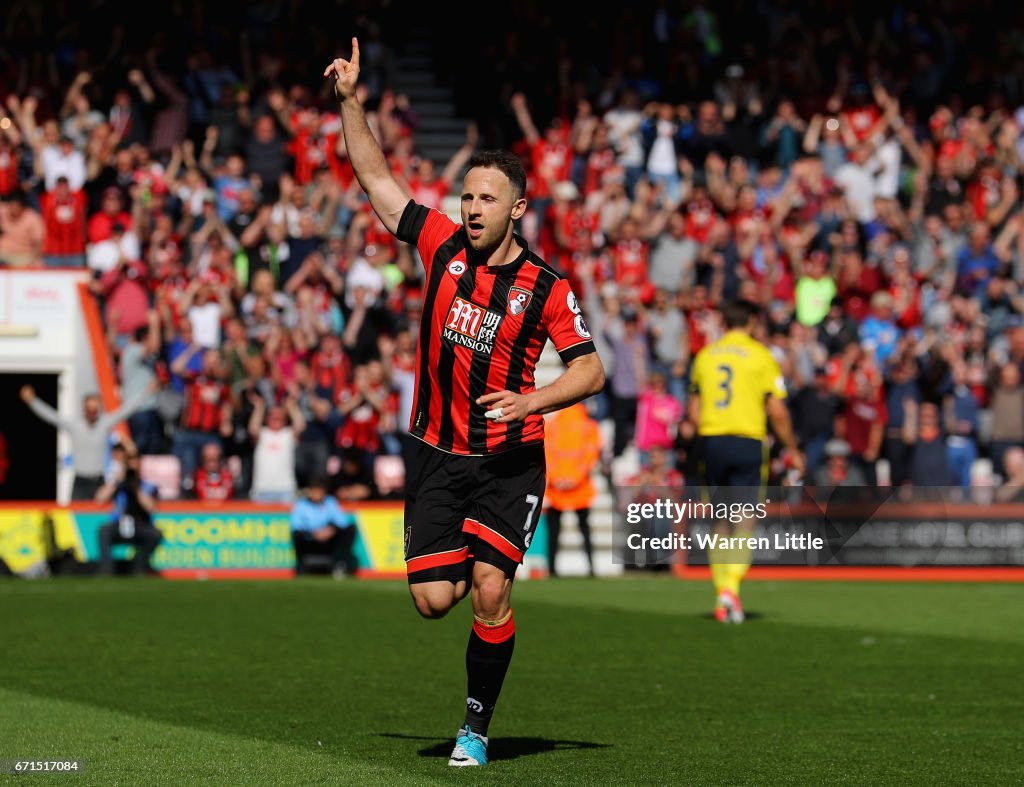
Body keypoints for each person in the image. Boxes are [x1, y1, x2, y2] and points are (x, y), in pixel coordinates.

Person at [325, 39, 605, 768]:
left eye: (487, 197)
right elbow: (378, 179)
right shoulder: (442, 246)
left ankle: (474, 730)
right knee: (433, 600)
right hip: (436, 451)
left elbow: (592, 369)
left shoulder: (546, 287)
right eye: (468, 196)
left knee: (488, 587)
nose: (472, 207)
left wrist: (531, 400)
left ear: (518, 207)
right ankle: (470, 626)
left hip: (511, 460)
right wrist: (352, 103)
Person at [687, 299, 804, 624]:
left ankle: (722, 591)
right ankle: (732, 587)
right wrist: (793, 448)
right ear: (752, 322)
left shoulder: (705, 356)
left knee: (719, 520)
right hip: (748, 440)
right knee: (746, 518)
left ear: (723, 322)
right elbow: (777, 411)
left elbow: (694, 411)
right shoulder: (761, 356)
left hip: (712, 440)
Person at [21, 381, 156, 501]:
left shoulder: (105, 423)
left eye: (95, 410)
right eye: (89, 410)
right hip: (80, 481)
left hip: (99, 481)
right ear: (84, 409)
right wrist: (33, 401)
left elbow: (126, 410)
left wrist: (146, 392)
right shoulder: (74, 425)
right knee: (76, 517)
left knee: (100, 520)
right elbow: (51, 416)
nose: (92, 413)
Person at [543, 402, 602, 577]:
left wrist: (556, 478)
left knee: (554, 530)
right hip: (579, 485)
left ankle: (552, 569)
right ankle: (592, 569)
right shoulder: (589, 425)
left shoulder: (553, 424)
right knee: (585, 528)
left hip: (556, 486)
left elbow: (546, 452)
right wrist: (575, 478)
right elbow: (592, 454)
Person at [96, 443, 163, 576]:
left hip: (140, 526)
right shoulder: (118, 483)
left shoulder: (145, 485)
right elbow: (99, 499)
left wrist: (136, 487)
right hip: (119, 525)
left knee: (156, 534)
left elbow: (151, 507)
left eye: (135, 462)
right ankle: (107, 570)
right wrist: (116, 481)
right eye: (129, 462)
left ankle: (139, 567)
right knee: (104, 531)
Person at [290, 475, 357, 577]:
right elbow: (296, 526)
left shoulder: (330, 502)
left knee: (350, 529)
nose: (316, 494)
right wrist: (313, 533)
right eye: (314, 491)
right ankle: (300, 565)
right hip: (309, 540)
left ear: (324, 492)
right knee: (296, 535)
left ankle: (341, 565)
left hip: (329, 540)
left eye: (319, 491)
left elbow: (342, 522)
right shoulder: (301, 504)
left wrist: (331, 530)